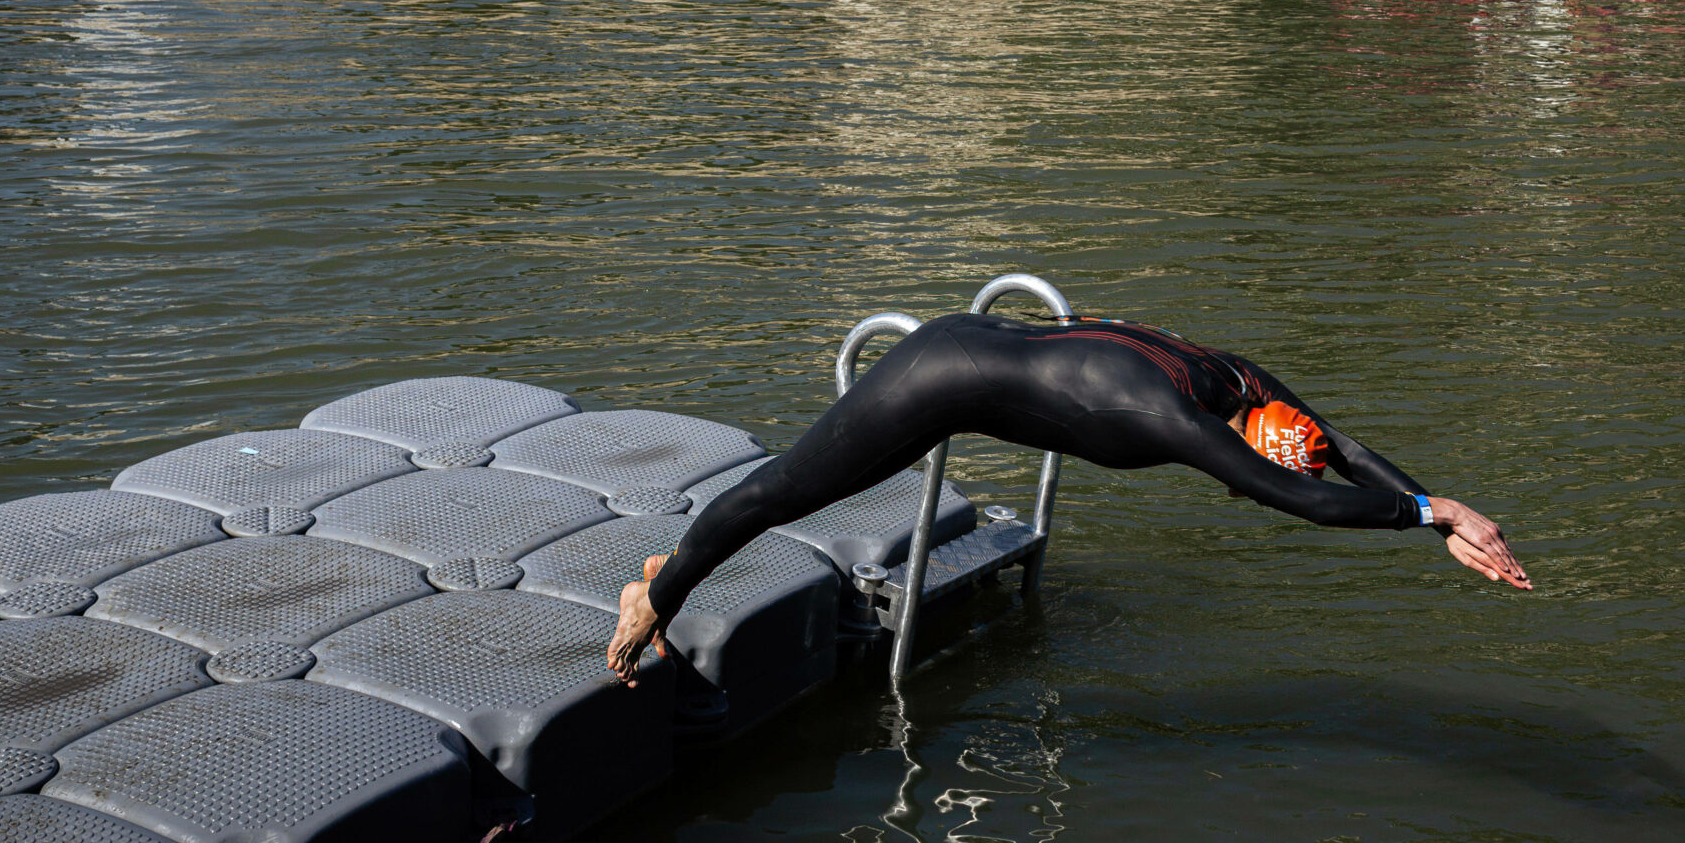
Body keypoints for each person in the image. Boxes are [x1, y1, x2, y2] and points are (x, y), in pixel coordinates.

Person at [605, 312, 1533, 683]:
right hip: (936, 379)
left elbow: (1346, 453)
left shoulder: (1238, 378)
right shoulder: (1181, 421)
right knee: (777, 493)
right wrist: (1428, 516)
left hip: (974, 345)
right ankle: (658, 590)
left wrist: (1438, 507)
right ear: (1246, 443)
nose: (1249, 488)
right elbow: (1316, 501)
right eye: (1255, 476)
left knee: (782, 494)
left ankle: (670, 575)